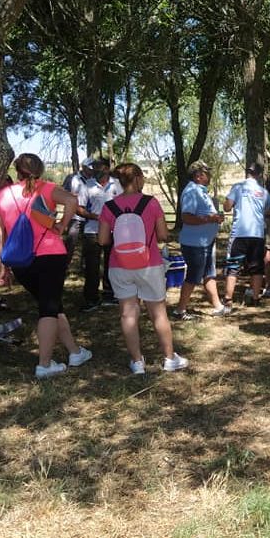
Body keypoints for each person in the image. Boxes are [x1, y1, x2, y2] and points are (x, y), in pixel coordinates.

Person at [0, 153, 92, 379]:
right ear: (41, 169)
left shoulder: (2, 195)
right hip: (50, 254)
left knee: (53, 305)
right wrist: (62, 226)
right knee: (48, 309)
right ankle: (44, 364)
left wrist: (3, 268)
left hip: (20, 261)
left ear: (16, 170)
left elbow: (1, 237)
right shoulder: (47, 188)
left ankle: (75, 352)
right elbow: (72, 201)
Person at [98, 163, 189, 374]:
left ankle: (137, 361)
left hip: (119, 266)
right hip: (149, 264)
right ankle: (169, 358)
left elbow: (102, 240)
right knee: (158, 313)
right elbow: (164, 235)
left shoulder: (109, 207)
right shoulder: (152, 203)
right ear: (138, 178)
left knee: (128, 314)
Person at [174, 160, 230, 320]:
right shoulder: (192, 191)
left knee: (209, 274)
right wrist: (210, 219)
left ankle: (218, 307)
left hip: (205, 241)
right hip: (195, 243)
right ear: (198, 176)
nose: (210, 176)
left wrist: (214, 218)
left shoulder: (201, 191)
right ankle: (180, 310)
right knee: (193, 276)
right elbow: (186, 217)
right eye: (207, 173)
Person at [222, 163, 270, 308]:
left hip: (239, 233)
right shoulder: (264, 192)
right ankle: (256, 298)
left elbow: (227, 207)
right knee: (257, 268)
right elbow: (269, 209)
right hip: (257, 234)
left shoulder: (237, 187)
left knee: (233, 266)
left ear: (247, 172)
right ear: (260, 175)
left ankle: (228, 299)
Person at [79, 158, 122, 311]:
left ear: (106, 168)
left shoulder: (117, 184)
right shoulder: (87, 185)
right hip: (92, 231)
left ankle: (110, 294)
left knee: (112, 264)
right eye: (94, 167)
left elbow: (125, 203)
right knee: (92, 267)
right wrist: (95, 216)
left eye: (99, 167)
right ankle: (91, 299)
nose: (95, 170)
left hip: (114, 230)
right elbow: (80, 208)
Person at [62, 156, 97, 261]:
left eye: (92, 169)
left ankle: (83, 265)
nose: (91, 171)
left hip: (89, 216)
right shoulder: (72, 178)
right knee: (71, 241)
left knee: (88, 244)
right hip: (75, 216)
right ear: (84, 167)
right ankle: (65, 263)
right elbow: (64, 195)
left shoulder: (94, 180)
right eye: (89, 168)